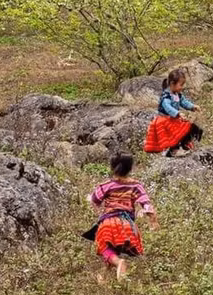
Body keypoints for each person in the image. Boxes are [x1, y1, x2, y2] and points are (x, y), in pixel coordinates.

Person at [82, 152, 158, 281]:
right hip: (128, 225)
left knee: (104, 247)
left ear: (113, 167)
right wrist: (153, 221)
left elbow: (94, 200)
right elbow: (146, 204)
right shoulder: (136, 186)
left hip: (109, 223)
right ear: (130, 168)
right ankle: (104, 278)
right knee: (113, 249)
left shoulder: (106, 185)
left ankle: (119, 263)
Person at [143, 67, 205, 157]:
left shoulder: (177, 94)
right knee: (175, 137)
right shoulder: (166, 96)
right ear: (172, 83)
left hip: (173, 118)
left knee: (191, 128)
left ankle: (185, 145)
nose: (182, 87)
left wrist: (192, 107)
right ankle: (174, 151)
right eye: (181, 85)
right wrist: (178, 113)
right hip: (164, 120)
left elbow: (183, 102)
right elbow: (167, 107)